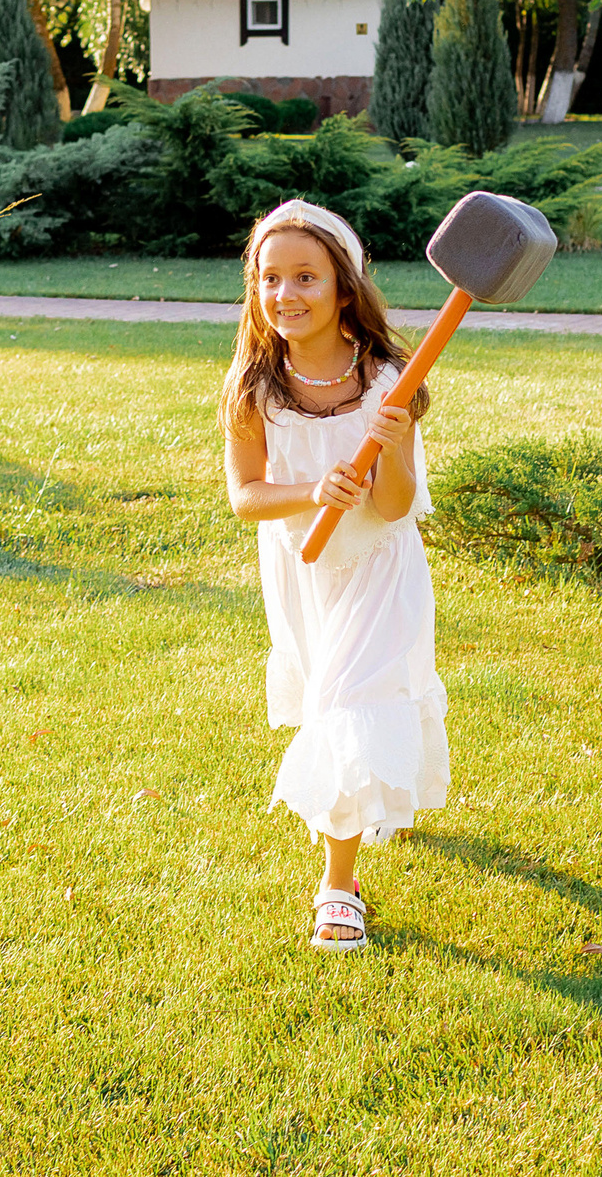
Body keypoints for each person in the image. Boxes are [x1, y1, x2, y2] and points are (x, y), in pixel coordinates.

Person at [221, 200, 448, 952]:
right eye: (270, 277)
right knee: (331, 701)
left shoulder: (389, 378)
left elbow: (391, 506)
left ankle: (337, 884)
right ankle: (363, 809)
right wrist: (313, 489)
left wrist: (395, 437)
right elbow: (246, 495)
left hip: (380, 568)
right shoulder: (254, 386)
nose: (286, 293)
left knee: (349, 699)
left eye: (306, 276)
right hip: (303, 570)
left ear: (344, 287)